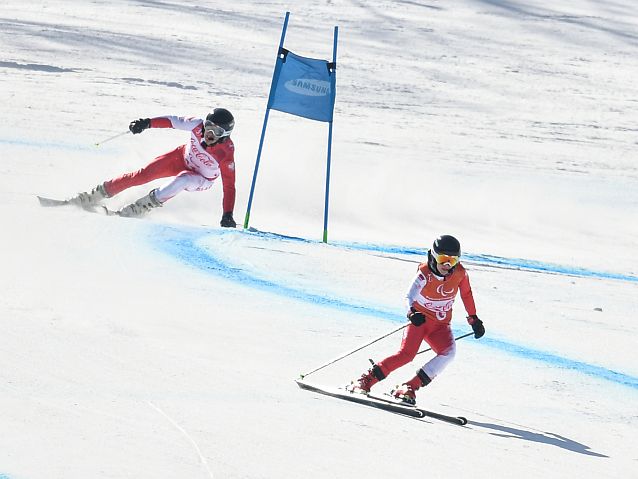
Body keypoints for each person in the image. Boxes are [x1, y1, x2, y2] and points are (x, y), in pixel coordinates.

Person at [350, 234, 485, 405]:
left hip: (440, 325)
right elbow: (408, 296)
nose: (447, 265)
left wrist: (473, 318)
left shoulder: (460, 274)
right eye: (443, 259)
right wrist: (411, 313)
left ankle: (409, 387)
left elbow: (466, 294)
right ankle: (365, 380)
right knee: (406, 355)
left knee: (448, 353)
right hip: (419, 322)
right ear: (434, 256)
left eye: (452, 260)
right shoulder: (424, 273)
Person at [69, 108, 238, 226]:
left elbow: (229, 187)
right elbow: (173, 121)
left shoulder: (226, 154)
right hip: (181, 158)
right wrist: (147, 123)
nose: (209, 133)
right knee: (141, 175)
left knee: (184, 179)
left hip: (201, 179)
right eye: (208, 127)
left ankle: (138, 208)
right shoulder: (197, 125)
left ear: (225, 134)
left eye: (216, 131)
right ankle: (93, 196)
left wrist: (227, 215)